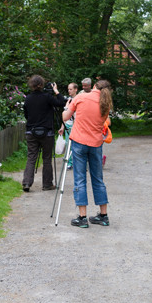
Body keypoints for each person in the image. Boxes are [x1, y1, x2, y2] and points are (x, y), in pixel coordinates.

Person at [62, 79, 112, 227]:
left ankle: (82, 218)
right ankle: (103, 215)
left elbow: (65, 117)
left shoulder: (80, 97)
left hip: (79, 142)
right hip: (96, 143)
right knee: (98, 179)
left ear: (94, 86)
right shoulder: (105, 103)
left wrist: (65, 109)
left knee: (80, 178)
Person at [22, 75, 66, 192]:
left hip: (31, 132)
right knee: (47, 158)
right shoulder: (47, 97)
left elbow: (26, 115)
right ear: (42, 84)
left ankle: (27, 182)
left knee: (31, 157)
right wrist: (56, 91)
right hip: (47, 133)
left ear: (31, 84)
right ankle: (47, 184)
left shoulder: (28, 98)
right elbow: (61, 103)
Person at [58, 82, 79, 170]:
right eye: (68, 89)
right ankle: (69, 163)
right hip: (68, 125)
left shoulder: (78, 100)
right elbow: (65, 116)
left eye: (71, 89)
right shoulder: (68, 100)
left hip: (77, 126)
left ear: (75, 89)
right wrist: (62, 127)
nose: (69, 91)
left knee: (77, 146)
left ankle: (78, 163)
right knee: (68, 144)